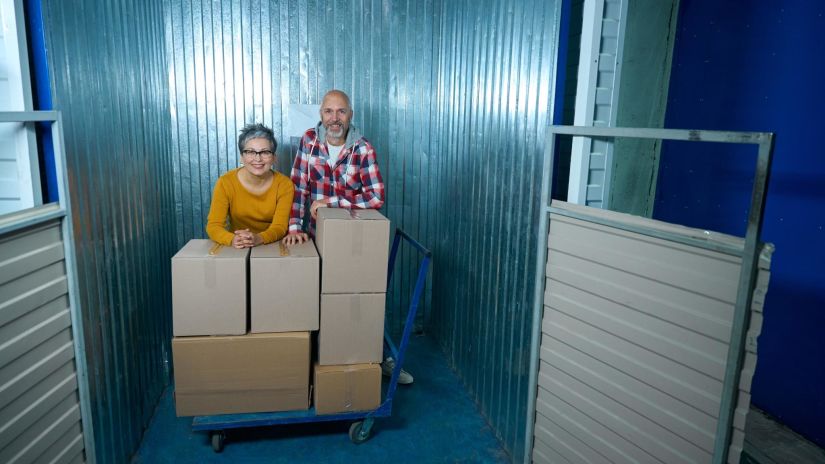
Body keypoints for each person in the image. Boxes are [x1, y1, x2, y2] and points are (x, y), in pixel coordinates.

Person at [282, 90, 413, 385]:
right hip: (315, 239)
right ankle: (317, 362)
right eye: (329, 111)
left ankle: (378, 360)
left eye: (341, 112)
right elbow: (298, 189)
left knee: (361, 299)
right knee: (316, 298)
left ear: (351, 114)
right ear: (321, 114)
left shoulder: (363, 148)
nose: (334, 118)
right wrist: (294, 227)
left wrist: (332, 203)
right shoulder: (308, 142)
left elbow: (377, 197)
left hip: (353, 244)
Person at [206, 123, 293, 248]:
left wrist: (258, 238)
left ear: (274, 158)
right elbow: (214, 225)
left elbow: (280, 227)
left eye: (265, 152)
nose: (258, 159)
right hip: (237, 246)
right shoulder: (225, 182)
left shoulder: (284, 185)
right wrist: (232, 239)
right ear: (241, 157)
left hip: (272, 246)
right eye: (250, 152)